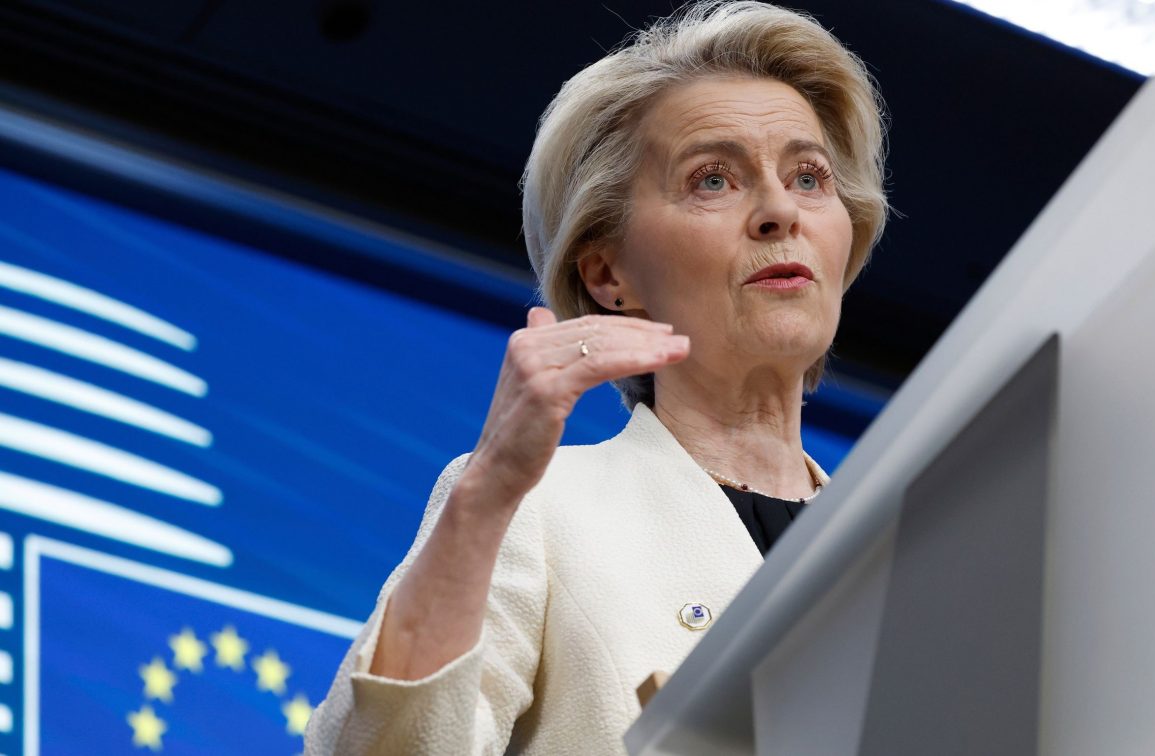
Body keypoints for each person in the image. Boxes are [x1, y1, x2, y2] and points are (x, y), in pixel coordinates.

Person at [305, 1, 887, 752]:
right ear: (609, 275)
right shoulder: (536, 509)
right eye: (713, 180)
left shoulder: (908, 547)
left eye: (809, 177)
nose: (780, 210)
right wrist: (486, 494)